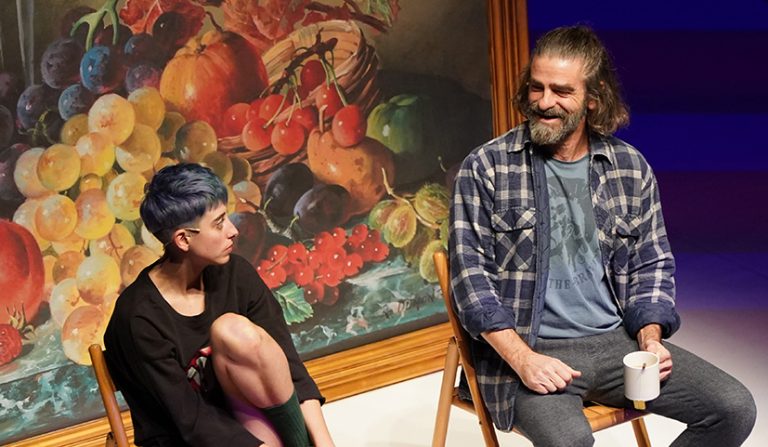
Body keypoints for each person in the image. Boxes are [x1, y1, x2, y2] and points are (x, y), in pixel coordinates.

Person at [449, 25, 756, 446]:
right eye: (536, 87)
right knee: (570, 441)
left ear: (593, 98)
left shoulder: (629, 167)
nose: (544, 102)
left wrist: (650, 340)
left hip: (617, 345)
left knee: (734, 408)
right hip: (534, 348)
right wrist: (523, 359)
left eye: (561, 91)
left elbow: (652, 263)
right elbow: (471, 282)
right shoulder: (487, 167)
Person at [104, 163, 335, 447]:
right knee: (229, 328)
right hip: (189, 442)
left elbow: (290, 366)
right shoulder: (137, 318)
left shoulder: (236, 274)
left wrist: (324, 443)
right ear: (183, 239)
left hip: (254, 430)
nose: (233, 230)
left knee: (232, 329)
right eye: (219, 223)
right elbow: (190, 421)